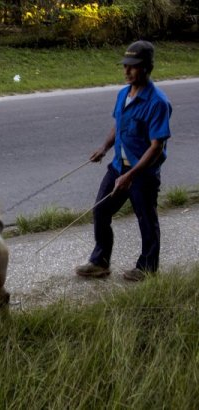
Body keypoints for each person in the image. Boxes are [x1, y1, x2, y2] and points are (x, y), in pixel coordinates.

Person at [75, 40, 173, 282]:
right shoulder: (123, 94)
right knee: (100, 210)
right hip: (118, 166)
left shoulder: (158, 102)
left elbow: (156, 146)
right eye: (125, 66)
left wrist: (132, 175)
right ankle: (100, 262)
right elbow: (118, 124)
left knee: (146, 219)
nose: (127, 71)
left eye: (133, 66)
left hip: (143, 173)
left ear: (147, 67)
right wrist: (104, 147)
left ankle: (148, 268)